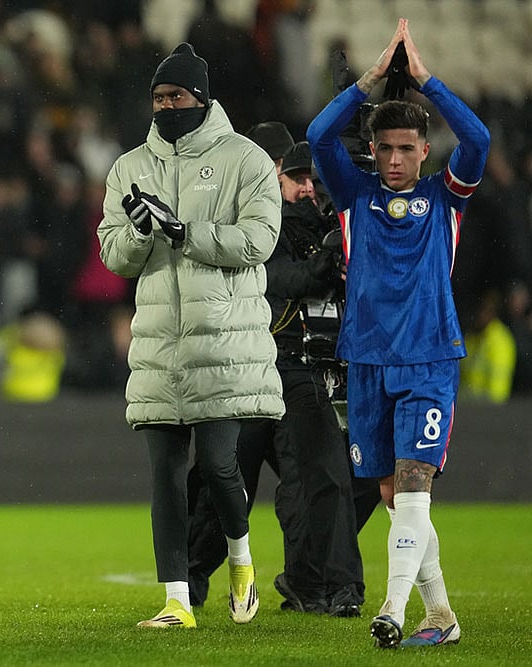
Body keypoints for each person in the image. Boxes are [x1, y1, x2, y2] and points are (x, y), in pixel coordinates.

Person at [307, 19, 490, 648]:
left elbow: (479, 136)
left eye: (406, 149)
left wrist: (427, 83)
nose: (393, 160)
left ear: (423, 150)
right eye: (385, 149)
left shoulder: (447, 197)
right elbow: (317, 135)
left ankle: (391, 608)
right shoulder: (353, 194)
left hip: (430, 357)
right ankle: (441, 616)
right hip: (365, 361)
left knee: (414, 484)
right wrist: (365, 85)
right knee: (391, 491)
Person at [97, 42, 284, 629]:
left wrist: (183, 231)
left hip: (223, 344)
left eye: (175, 96)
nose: (165, 106)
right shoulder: (129, 167)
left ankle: (240, 561)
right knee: (165, 474)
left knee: (222, 468)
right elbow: (112, 254)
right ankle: (178, 600)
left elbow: (259, 240)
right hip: (159, 346)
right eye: (157, 97)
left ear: (201, 99)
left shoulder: (246, 160)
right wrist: (141, 231)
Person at [186, 139, 370, 617]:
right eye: (297, 179)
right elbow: (279, 278)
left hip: (300, 374)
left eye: (311, 180)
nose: (306, 189)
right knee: (224, 487)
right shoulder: (253, 225)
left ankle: (314, 584)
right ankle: (190, 578)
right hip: (254, 375)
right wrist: (325, 260)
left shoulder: (329, 225)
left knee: (318, 483)